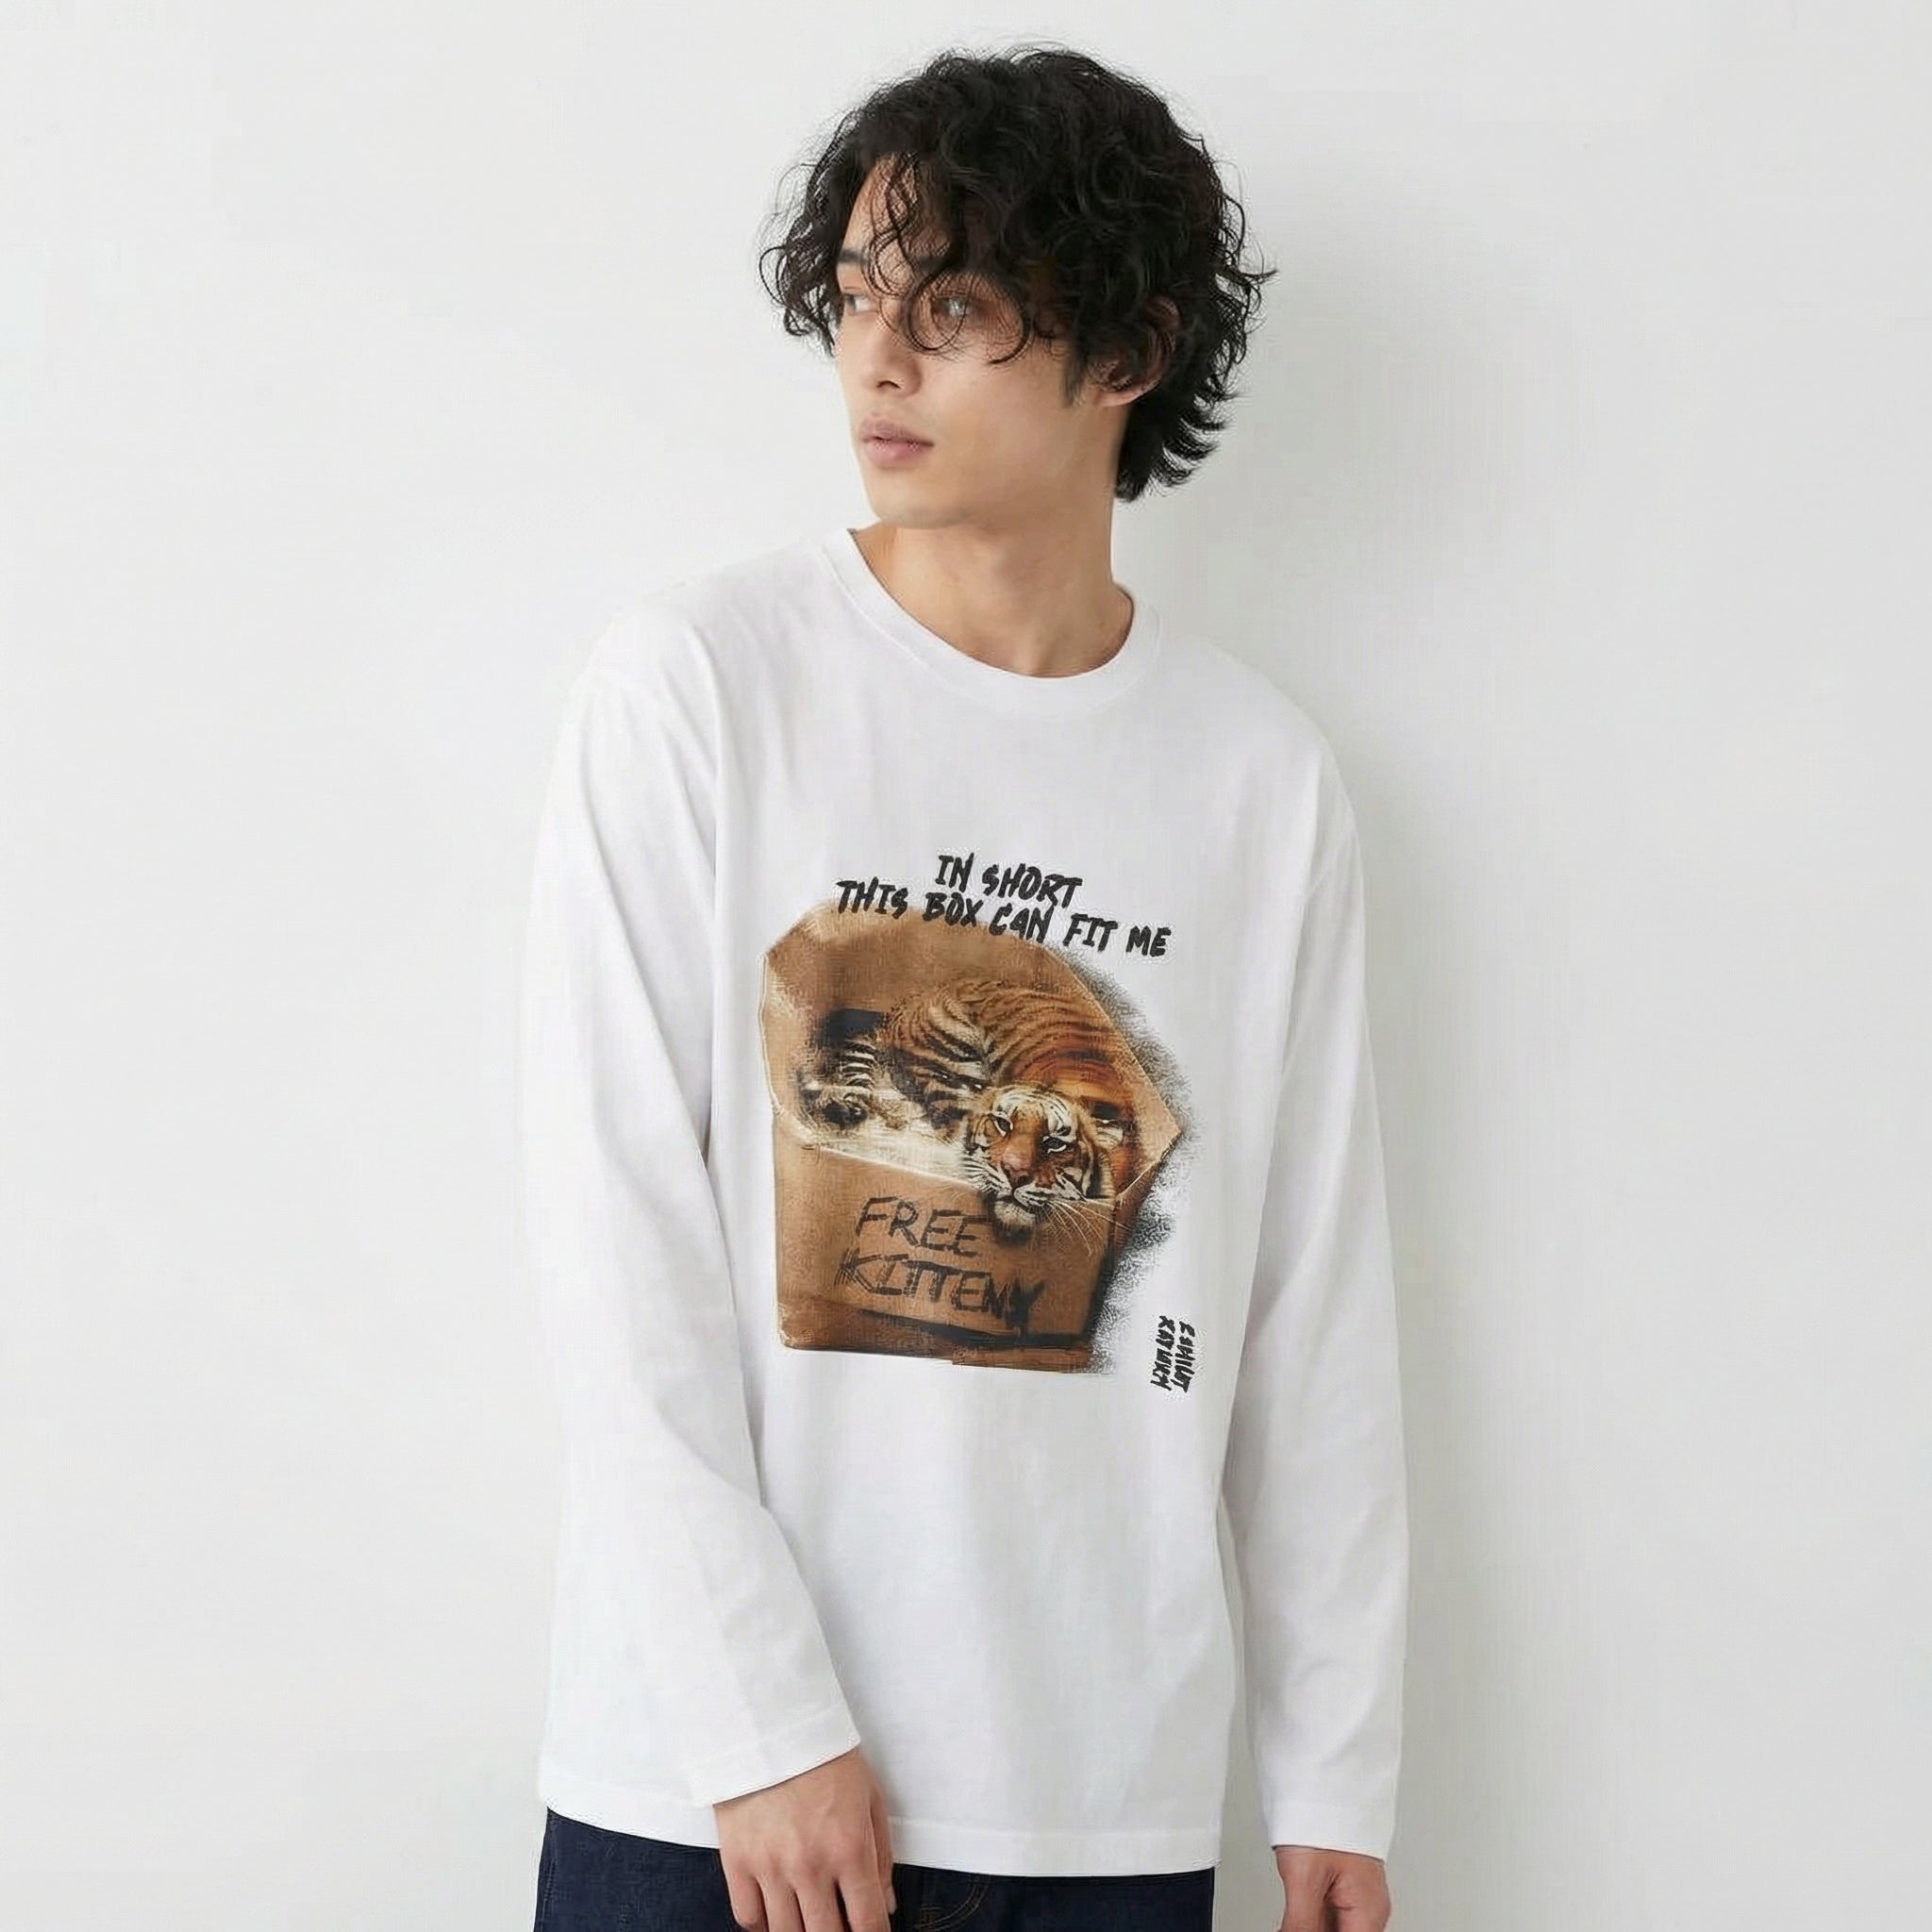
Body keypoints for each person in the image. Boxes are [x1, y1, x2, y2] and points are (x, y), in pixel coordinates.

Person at [517, 41, 1408, 1932]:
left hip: (1093, 1803)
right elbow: (613, 1233)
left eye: (954, 306)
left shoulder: (1257, 778)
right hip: (708, 1793)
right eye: (855, 297)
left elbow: (1307, 1295)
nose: (878, 358)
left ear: (1129, 350)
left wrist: (1334, 1766)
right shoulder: (700, 685)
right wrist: (759, 1724)